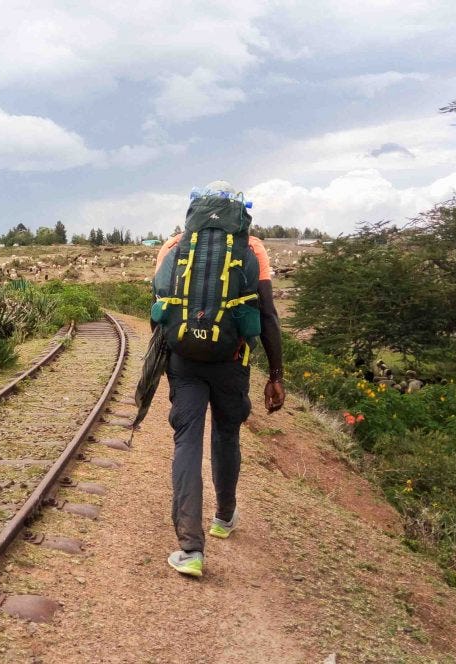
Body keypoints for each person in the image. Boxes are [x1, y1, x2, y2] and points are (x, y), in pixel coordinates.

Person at [154, 181, 285, 578]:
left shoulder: (174, 246)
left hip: (184, 361)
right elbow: (267, 314)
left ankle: (190, 549)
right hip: (231, 361)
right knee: (227, 435)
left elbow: (161, 308)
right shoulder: (252, 248)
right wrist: (275, 375)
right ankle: (224, 517)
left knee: (187, 441)